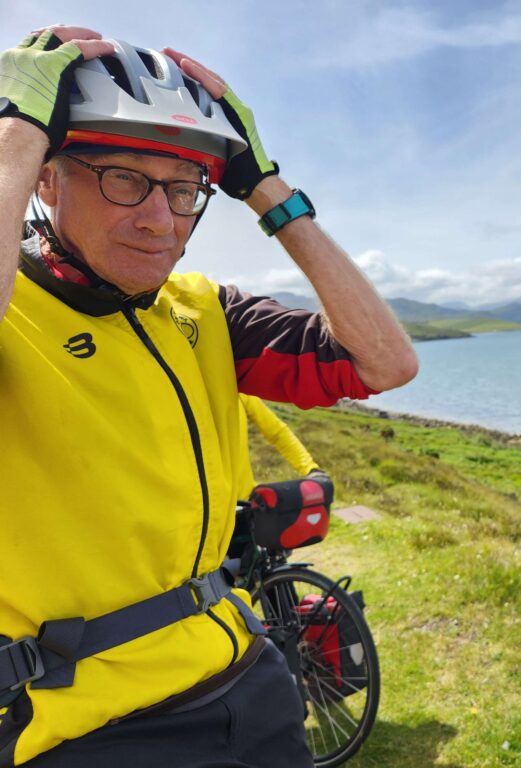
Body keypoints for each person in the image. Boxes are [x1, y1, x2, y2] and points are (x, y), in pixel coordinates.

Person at [0, 25, 417, 767]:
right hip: (84, 725)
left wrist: (266, 188)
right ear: (47, 181)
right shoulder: (16, 314)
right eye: (123, 179)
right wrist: (16, 136)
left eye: (183, 189)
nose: (159, 219)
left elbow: (385, 362)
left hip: (248, 679)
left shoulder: (204, 310)